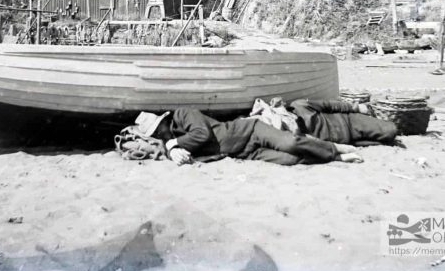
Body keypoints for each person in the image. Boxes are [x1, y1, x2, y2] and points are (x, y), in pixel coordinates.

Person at [134, 109, 363, 167]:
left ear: (164, 119)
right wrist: (173, 150)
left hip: (251, 130)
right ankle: (331, 157)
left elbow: (202, 134)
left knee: (290, 142)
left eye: (158, 127)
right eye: (155, 133)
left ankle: (336, 151)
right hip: (245, 151)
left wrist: (174, 144)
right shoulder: (170, 143)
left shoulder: (183, 115)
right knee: (290, 161)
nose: (159, 132)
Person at [259, 97, 398, 147]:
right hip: (348, 139)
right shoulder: (294, 135)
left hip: (349, 122)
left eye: (285, 119)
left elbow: (329, 105)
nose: (288, 123)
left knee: (391, 130)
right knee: (384, 140)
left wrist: (355, 107)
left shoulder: (299, 105)